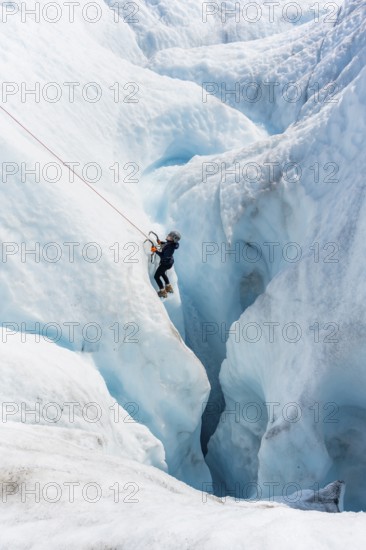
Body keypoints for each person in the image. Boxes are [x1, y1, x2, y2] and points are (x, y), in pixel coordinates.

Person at [152, 231, 181, 298]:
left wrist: (155, 251)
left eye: (170, 236)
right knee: (162, 273)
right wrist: (161, 243)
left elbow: (163, 256)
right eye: (169, 235)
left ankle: (163, 292)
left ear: (173, 239)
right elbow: (167, 244)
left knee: (156, 277)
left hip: (165, 263)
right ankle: (168, 287)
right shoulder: (171, 244)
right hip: (168, 263)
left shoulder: (171, 248)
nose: (168, 236)